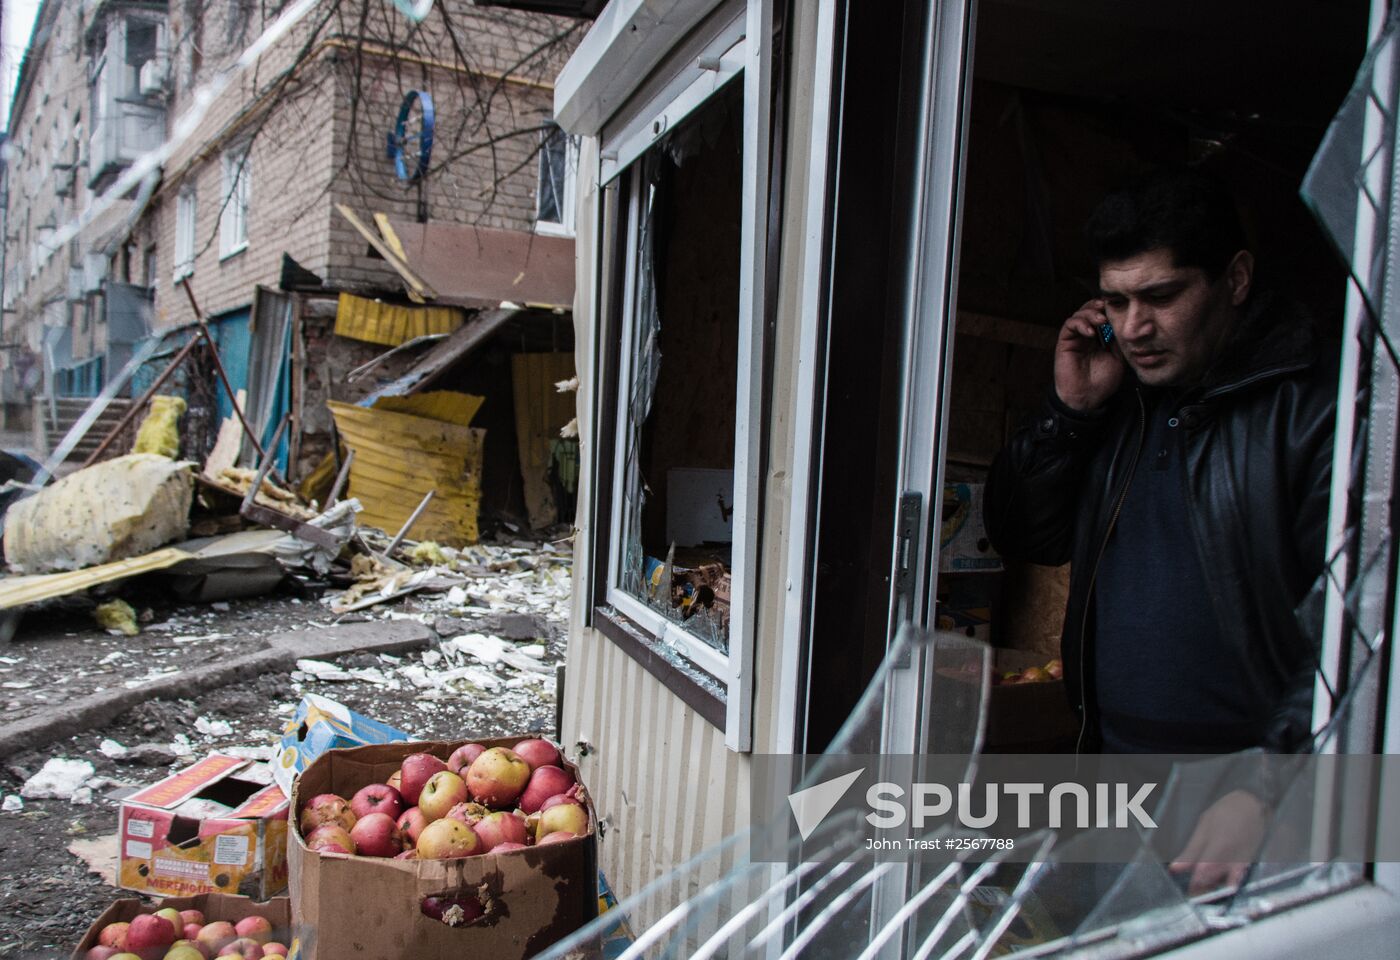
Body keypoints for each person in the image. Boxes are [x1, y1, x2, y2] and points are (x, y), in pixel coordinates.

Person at [983, 169, 1338, 891]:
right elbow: (1026, 535)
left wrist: (1272, 782)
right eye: (1115, 301)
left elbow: (1358, 625)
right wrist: (1070, 412)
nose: (1134, 328)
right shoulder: (1120, 398)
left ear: (1235, 279)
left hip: (1242, 805)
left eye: (1162, 296)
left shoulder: (1313, 410)